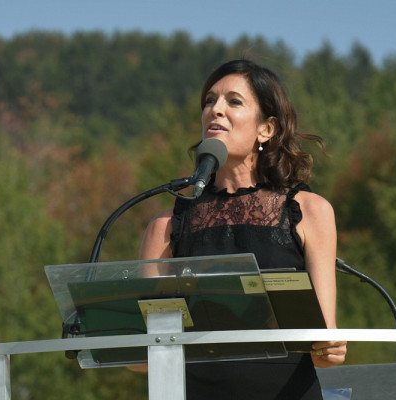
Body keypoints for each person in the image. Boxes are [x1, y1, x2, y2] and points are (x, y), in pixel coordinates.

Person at [139, 59, 347, 399]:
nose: (215, 110)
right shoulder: (164, 226)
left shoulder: (311, 211)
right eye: (209, 101)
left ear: (266, 129)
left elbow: (323, 345)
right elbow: (140, 357)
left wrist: (331, 348)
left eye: (233, 102)